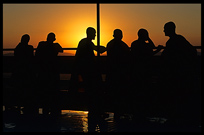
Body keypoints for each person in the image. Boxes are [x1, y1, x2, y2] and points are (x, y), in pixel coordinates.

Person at [159, 21, 199, 125]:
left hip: (175, 74)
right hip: (180, 73)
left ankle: (175, 117)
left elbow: (165, 57)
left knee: (175, 95)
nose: (163, 30)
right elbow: (192, 51)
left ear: (169, 29)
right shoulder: (179, 39)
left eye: (165, 28)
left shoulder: (172, 42)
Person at [72, 27, 106, 132]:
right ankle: (95, 110)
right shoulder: (86, 43)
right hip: (88, 71)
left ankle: (94, 109)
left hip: (86, 71)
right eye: (94, 33)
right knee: (93, 90)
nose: (95, 35)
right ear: (90, 33)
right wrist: (105, 48)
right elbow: (97, 49)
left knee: (92, 90)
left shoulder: (84, 42)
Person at [130, 29, 163, 117]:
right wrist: (157, 48)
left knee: (137, 91)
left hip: (136, 70)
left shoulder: (134, 44)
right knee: (144, 90)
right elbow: (151, 50)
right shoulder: (145, 45)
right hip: (144, 71)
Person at [35, 32, 63, 116]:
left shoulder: (41, 44)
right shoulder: (55, 45)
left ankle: (45, 107)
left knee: (44, 89)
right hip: (52, 70)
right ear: (54, 39)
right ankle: (53, 107)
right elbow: (61, 50)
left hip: (43, 70)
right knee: (53, 89)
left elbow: (37, 55)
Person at [106, 29, 130, 119]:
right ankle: (119, 111)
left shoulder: (110, 44)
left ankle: (116, 111)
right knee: (120, 92)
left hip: (112, 71)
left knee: (114, 92)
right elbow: (128, 54)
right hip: (120, 72)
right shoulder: (122, 45)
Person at [11, 34, 37, 114]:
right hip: (26, 73)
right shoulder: (29, 48)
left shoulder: (18, 48)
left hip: (19, 72)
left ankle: (19, 104)